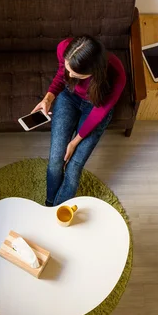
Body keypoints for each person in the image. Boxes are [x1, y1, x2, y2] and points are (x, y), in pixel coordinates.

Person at [32, 35, 126, 207]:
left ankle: (59, 210)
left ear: (93, 72)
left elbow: (100, 112)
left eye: (75, 74)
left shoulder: (116, 72)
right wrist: (48, 98)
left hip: (96, 106)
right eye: (69, 69)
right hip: (69, 97)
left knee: (74, 167)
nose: (69, 74)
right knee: (56, 159)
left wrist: (75, 142)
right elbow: (61, 75)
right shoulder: (64, 47)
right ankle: (49, 205)